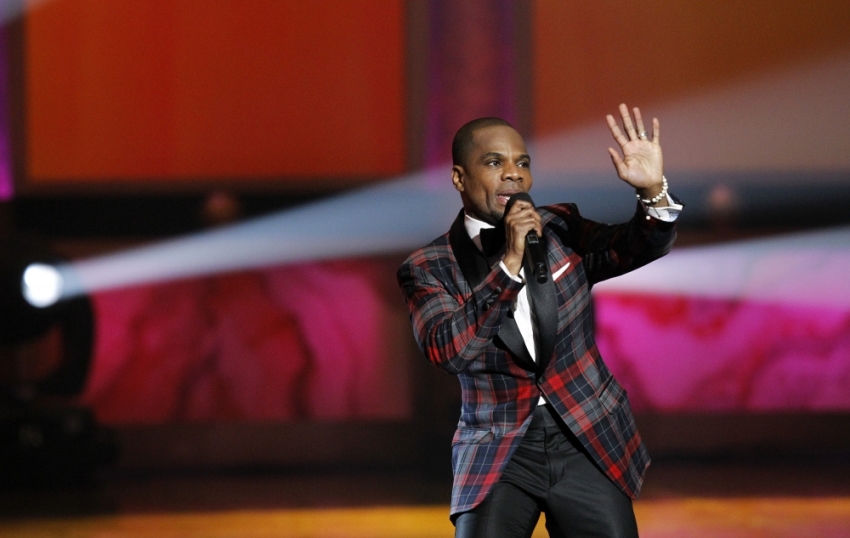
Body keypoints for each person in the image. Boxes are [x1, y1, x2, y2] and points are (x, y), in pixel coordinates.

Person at [397, 104, 683, 538]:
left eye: (523, 163)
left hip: (585, 435)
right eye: (495, 163)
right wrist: (509, 264)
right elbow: (450, 350)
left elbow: (636, 245)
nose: (513, 174)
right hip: (498, 448)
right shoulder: (428, 267)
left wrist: (652, 193)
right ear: (459, 178)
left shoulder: (559, 227)